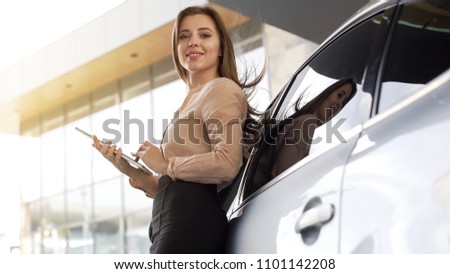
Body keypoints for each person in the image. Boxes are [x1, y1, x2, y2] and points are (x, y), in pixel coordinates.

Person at [92, 5, 264, 254]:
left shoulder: (222, 89)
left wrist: (165, 164)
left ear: (220, 48)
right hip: (170, 226)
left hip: (189, 227)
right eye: (184, 36)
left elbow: (227, 162)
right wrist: (132, 170)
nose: (193, 42)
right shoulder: (190, 101)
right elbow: (179, 181)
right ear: (176, 48)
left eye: (204, 35)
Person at [252, 78, 356, 191]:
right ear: (327, 93)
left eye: (343, 103)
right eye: (339, 95)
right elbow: (282, 177)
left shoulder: (302, 121)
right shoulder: (307, 122)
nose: (339, 104)